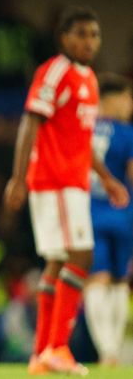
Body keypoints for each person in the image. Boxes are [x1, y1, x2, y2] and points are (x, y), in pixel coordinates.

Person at [3, 6, 129, 376]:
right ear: (64, 38)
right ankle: (58, 347)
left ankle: (42, 353)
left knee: (58, 262)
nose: (89, 42)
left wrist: (106, 178)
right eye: (81, 34)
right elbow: (30, 120)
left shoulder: (88, 79)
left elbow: (82, 139)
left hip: (73, 181)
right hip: (56, 180)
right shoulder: (55, 71)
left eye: (95, 35)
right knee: (81, 257)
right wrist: (18, 177)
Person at [83, 73, 133, 367]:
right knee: (119, 280)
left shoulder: (84, 129)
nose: (130, 105)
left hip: (87, 212)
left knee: (96, 280)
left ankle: (106, 351)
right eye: (127, 99)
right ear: (110, 100)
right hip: (122, 213)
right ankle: (112, 346)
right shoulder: (126, 133)